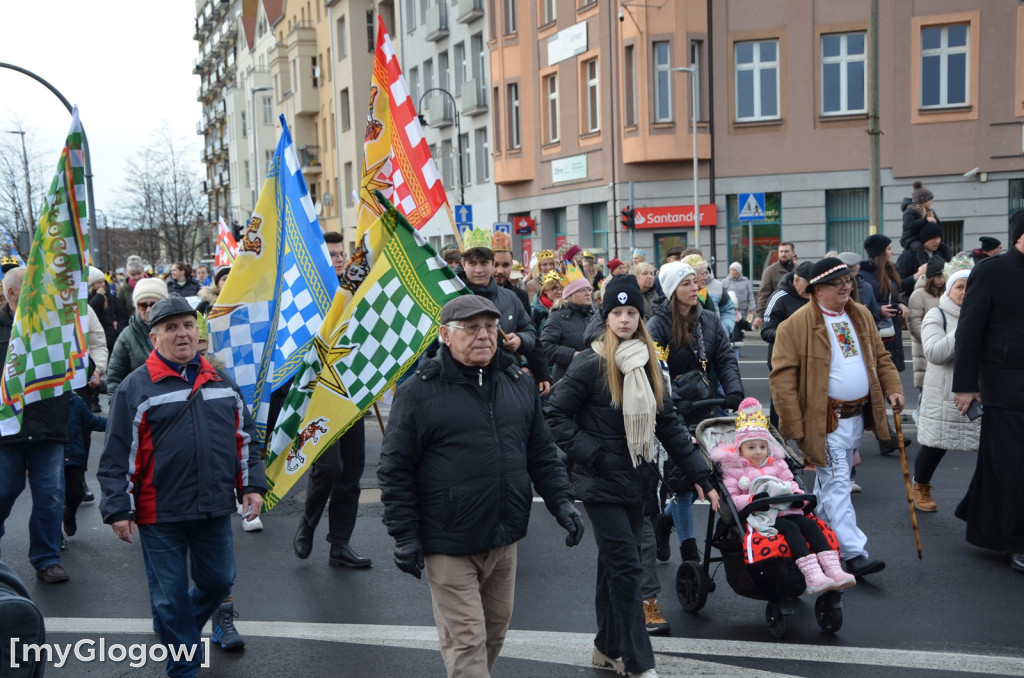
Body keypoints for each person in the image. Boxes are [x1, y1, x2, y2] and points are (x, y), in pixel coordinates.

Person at [378, 295, 582, 678]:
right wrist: (404, 534)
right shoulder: (418, 392)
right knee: (467, 640)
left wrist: (562, 501)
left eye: (489, 327)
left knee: (493, 633)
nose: (484, 336)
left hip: (504, 537)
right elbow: (394, 470)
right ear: (445, 335)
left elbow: (541, 451)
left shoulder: (516, 381)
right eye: (471, 328)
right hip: (449, 541)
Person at [545, 275, 719, 678]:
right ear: (605, 317)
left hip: (638, 482)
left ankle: (606, 648)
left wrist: (701, 475)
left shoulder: (648, 363)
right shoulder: (590, 362)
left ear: (640, 317)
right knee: (627, 569)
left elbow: (669, 424)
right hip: (600, 483)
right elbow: (553, 414)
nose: (624, 319)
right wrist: (596, 455)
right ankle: (640, 663)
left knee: (613, 567)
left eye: (631, 312)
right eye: (616, 312)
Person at [98, 297, 267, 675]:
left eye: (188, 325)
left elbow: (246, 440)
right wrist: (118, 509)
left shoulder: (221, 382)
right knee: (170, 599)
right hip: (159, 514)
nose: (182, 334)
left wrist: (252, 486)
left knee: (220, 579)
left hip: (213, 508)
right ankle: (184, 667)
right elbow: (116, 456)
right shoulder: (134, 388)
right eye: (171, 328)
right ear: (154, 336)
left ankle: (176, 630)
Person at [769, 257, 905, 578]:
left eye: (848, 281)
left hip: (857, 417)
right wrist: (794, 427)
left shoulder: (859, 315)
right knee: (838, 485)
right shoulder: (795, 325)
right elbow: (782, 379)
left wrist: (893, 388)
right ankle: (853, 552)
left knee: (829, 487)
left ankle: (818, 539)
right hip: (823, 421)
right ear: (817, 289)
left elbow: (881, 357)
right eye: (838, 282)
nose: (847, 286)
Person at [647, 262, 743, 571]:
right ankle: (689, 550)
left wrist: (734, 392)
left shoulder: (711, 321)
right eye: (686, 283)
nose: (694, 287)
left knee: (716, 477)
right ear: (672, 290)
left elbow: (726, 358)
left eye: (695, 282)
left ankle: (664, 521)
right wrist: (674, 402)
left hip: (707, 409)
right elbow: (656, 372)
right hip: (673, 414)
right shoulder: (658, 326)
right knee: (684, 482)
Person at [710, 397, 856, 594]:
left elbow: (792, 483)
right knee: (790, 529)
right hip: (761, 516)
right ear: (740, 449)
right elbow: (733, 498)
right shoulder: (734, 470)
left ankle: (833, 570)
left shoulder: (776, 464)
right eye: (751, 447)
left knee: (810, 524)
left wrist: (798, 497)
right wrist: (752, 500)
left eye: (762, 447)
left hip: (787, 509)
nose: (758, 452)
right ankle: (812, 575)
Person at [952, 212, 1024, 572]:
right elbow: (969, 331)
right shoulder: (992, 272)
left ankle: (980, 518)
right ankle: (1016, 541)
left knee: (1002, 466)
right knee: (1012, 466)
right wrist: (965, 386)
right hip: (1005, 385)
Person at [293, 234, 370, 567]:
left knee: (352, 469)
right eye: (332, 255)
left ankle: (340, 543)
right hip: (317, 391)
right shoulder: (308, 294)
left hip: (352, 389)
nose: (339, 260)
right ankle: (307, 524)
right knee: (328, 466)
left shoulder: (359, 292)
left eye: (342, 255)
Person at [0, 267, 72, 584]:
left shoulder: (53, 326)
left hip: (47, 425)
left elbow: (77, 364)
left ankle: (46, 559)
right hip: (6, 430)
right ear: (13, 293)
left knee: (50, 496)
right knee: (3, 491)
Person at [912, 254, 979, 512]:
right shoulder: (936, 315)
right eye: (959, 287)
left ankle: (984, 495)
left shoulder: (986, 313)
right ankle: (921, 485)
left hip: (979, 392)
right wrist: (965, 327)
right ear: (950, 289)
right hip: (943, 395)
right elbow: (934, 353)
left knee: (991, 447)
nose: (965, 292)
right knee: (935, 445)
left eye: (969, 287)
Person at [106, 277, 169, 398]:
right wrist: (117, 409)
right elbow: (115, 377)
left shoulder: (176, 331)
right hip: (140, 403)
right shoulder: (127, 335)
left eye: (154, 304)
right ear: (137, 306)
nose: (149, 309)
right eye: (143, 305)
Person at [62, 391, 107, 544]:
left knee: (76, 494)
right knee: (50, 498)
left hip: (73, 455)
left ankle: (69, 515)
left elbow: (91, 421)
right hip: (48, 455)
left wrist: (116, 423)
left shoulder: (73, 399)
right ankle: (54, 536)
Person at [540, 271, 594, 383]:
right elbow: (546, 346)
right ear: (571, 295)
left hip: (592, 377)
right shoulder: (557, 316)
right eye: (583, 290)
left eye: (589, 289)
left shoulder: (595, 315)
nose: (588, 293)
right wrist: (572, 355)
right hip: (566, 378)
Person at [907, 258, 946, 399]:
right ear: (930, 277)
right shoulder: (918, 295)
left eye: (943, 275)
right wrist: (930, 340)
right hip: (924, 349)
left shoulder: (946, 293)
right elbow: (914, 323)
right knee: (926, 393)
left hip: (944, 345)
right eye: (937, 276)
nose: (941, 279)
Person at [896, 222, 951, 296]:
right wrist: (916, 276)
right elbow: (897, 285)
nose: (937, 241)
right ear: (924, 238)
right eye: (933, 238)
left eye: (939, 237)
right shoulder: (907, 256)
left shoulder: (942, 253)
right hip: (914, 301)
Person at [753, 242, 797, 330]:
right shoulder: (770, 271)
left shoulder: (799, 270)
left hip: (795, 314)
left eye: (786, 251)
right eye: (781, 252)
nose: (783, 254)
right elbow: (763, 294)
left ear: (793, 253)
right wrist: (760, 315)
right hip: (776, 315)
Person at [491, 234, 529, 313]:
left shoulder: (521, 295)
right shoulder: (475, 294)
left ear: (511, 265)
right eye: (495, 265)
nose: (500, 271)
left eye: (505, 265)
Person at [900, 180, 940, 253]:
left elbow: (938, 225)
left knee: (943, 247)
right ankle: (924, 264)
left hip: (923, 238)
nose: (932, 202)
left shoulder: (931, 211)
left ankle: (948, 263)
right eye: (929, 200)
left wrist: (935, 224)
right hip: (910, 239)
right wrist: (926, 220)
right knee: (919, 247)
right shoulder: (909, 211)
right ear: (923, 201)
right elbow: (910, 225)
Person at [722, 262, 756, 343]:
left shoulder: (745, 281)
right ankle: (732, 342)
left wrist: (752, 306)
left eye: (734, 270)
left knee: (741, 325)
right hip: (731, 309)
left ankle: (737, 340)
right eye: (731, 270)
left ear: (739, 271)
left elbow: (750, 295)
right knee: (733, 326)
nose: (732, 272)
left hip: (743, 309)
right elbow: (721, 295)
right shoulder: (725, 282)